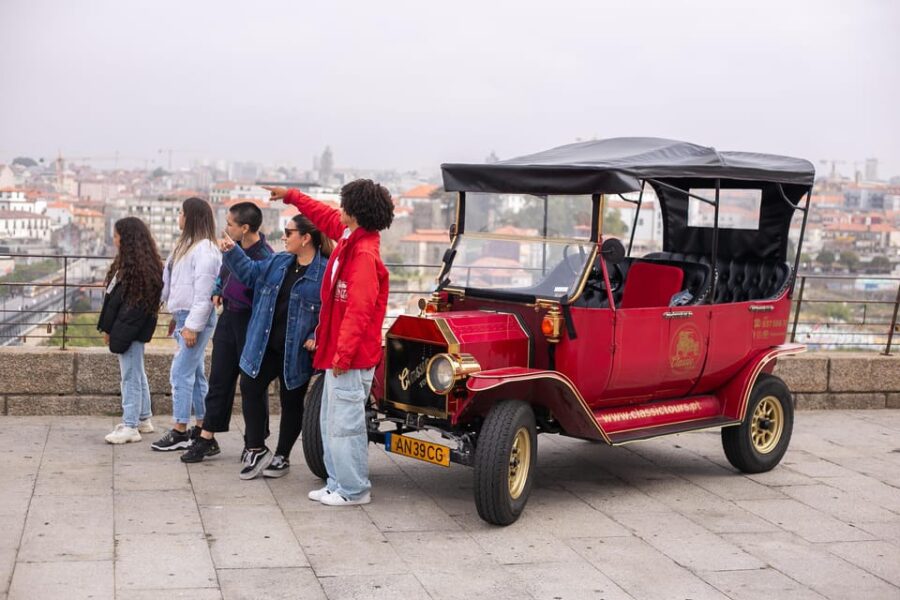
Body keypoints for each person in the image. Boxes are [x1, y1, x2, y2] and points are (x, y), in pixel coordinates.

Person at [265, 179, 393, 506]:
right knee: (330, 423)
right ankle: (337, 483)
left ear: (356, 211)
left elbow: (359, 311)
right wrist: (292, 196)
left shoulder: (364, 253)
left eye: (345, 203)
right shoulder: (351, 237)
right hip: (338, 354)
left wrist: (343, 354)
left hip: (349, 358)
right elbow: (323, 216)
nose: (340, 208)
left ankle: (353, 490)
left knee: (345, 427)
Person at [217, 213, 332, 479]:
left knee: (291, 402)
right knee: (249, 384)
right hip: (266, 343)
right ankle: (257, 448)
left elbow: (332, 311)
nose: (283, 236)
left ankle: (282, 456)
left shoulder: (324, 272)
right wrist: (232, 251)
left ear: (305, 238)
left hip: (297, 351)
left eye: (288, 232)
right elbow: (249, 273)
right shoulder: (279, 262)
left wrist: (318, 334)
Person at [181, 202, 273, 463]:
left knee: (252, 383)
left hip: (250, 322)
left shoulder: (264, 256)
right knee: (219, 379)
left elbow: (258, 288)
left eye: (230, 224)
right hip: (229, 318)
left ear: (245, 228)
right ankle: (207, 437)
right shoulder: (232, 249)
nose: (225, 228)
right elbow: (224, 274)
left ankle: (255, 440)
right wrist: (218, 289)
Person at [151, 197, 222, 451]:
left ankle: (180, 429)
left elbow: (204, 294)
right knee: (194, 373)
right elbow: (177, 285)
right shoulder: (187, 245)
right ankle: (204, 429)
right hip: (185, 316)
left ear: (190, 217)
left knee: (180, 372)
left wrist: (192, 326)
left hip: (195, 318)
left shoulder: (204, 250)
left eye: (181, 213)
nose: (178, 217)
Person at [98, 217, 164, 444]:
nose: (114, 239)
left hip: (130, 332)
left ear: (127, 239)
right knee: (137, 373)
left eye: (117, 236)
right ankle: (143, 419)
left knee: (130, 377)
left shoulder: (138, 271)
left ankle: (130, 426)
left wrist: (116, 333)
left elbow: (129, 310)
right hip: (129, 330)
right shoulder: (135, 266)